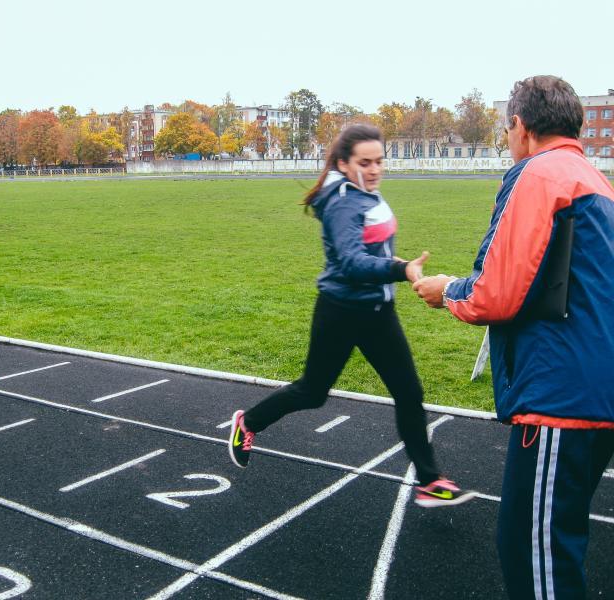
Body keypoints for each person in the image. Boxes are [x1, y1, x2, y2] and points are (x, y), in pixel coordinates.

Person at [413, 75, 614, 598]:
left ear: (521, 127)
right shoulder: (596, 180)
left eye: (507, 130)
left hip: (560, 396)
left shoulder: (538, 174)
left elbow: (494, 293)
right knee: (550, 544)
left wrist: (445, 290)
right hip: (595, 392)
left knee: (535, 556)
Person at [227, 123, 475, 508]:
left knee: (409, 393)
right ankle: (249, 423)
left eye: (380, 161)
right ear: (344, 163)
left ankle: (429, 480)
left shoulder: (365, 192)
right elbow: (351, 262)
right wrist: (401, 268)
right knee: (312, 392)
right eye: (365, 162)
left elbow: (371, 251)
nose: (375, 169)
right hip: (341, 311)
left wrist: (396, 264)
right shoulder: (343, 200)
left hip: (378, 311)